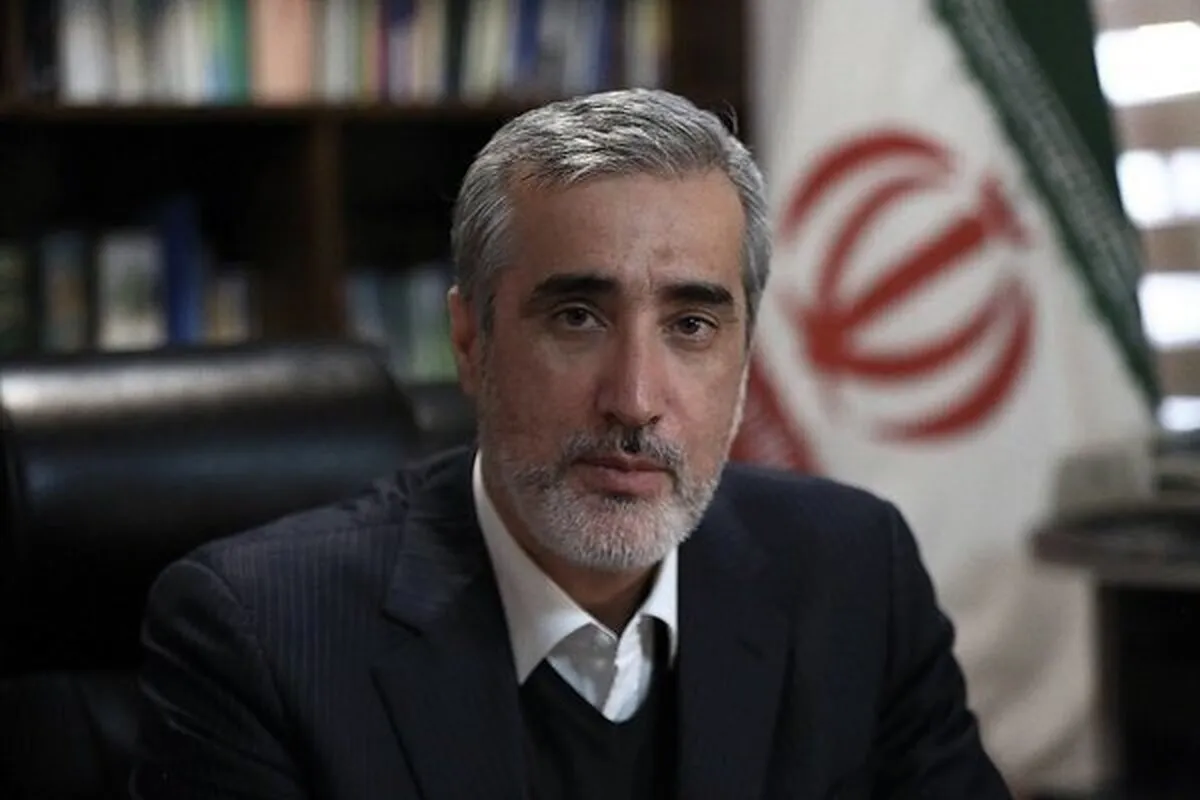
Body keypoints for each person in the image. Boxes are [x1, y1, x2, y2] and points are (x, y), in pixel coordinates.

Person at [131, 88, 1013, 799]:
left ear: (746, 360)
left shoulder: (854, 573)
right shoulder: (262, 636)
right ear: (470, 343)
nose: (635, 401)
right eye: (578, 317)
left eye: (692, 325)